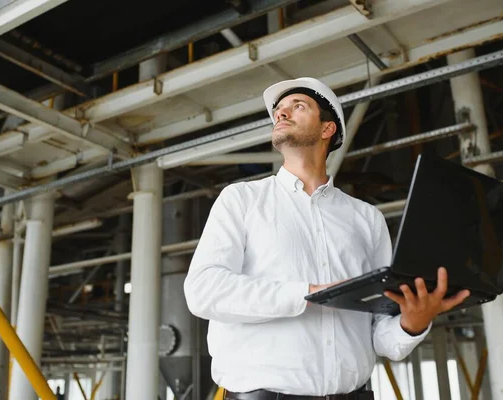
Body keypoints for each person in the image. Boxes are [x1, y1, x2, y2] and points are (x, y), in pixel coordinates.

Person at [183, 77, 470, 400]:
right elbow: (203, 291)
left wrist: (413, 323)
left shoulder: (366, 219)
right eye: (278, 110)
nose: (282, 113)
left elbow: (379, 334)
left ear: (327, 129)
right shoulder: (241, 199)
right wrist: (308, 294)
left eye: (298, 106)